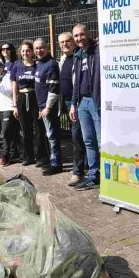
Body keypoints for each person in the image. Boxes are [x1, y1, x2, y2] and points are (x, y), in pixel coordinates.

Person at [70, 24, 101, 191]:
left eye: (82, 34)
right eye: (76, 36)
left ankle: (108, 176)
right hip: (83, 103)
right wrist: (74, 105)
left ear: (88, 34)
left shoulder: (98, 50)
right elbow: (76, 83)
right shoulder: (77, 55)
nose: (79, 38)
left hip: (97, 101)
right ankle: (93, 176)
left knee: (102, 141)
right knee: (88, 140)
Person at [11, 40, 47, 167]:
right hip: (21, 98)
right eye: (23, 51)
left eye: (27, 50)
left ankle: (42, 157)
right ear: (20, 53)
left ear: (32, 52)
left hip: (35, 98)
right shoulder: (16, 65)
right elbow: (14, 85)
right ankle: (28, 156)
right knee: (25, 130)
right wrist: (14, 105)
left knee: (39, 129)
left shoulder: (37, 65)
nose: (25, 53)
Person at [58, 32, 87, 186]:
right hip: (68, 102)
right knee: (77, 136)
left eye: (68, 41)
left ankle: (78, 172)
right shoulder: (63, 59)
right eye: (62, 42)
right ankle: (82, 165)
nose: (65, 44)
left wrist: (74, 103)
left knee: (78, 137)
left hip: (78, 102)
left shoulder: (79, 56)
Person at [33, 38, 63, 176]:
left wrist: (48, 107)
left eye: (41, 47)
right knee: (48, 134)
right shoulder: (39, 64)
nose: (39, 50)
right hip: (42, 107)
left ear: (47, 48)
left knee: (52, 135)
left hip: (49, 107)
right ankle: (52, 161)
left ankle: (56, 164)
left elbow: (53, 88)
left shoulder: (51, 64)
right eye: (36, 48)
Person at [0, 58, 18, 167]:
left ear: (3, 65)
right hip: (1, 108)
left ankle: (6, 155)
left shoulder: (9, 75)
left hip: (10, 107)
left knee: (5, 133)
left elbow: (11, 92)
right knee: (9, 132)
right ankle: (14, 153)